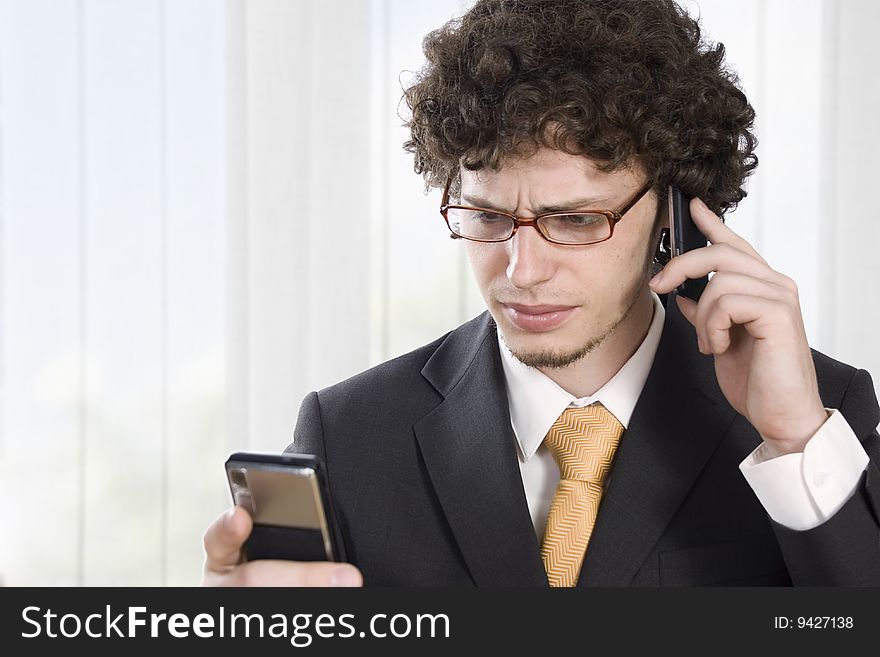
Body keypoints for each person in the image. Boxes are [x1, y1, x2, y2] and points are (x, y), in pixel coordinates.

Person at [203, 0, 880, 587]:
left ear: (674, 212)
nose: (521, 270)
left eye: (577, 220)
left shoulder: (818, 412)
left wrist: (795, 441)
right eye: (490, 218)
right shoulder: (352, 436)